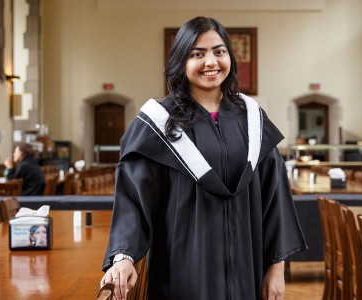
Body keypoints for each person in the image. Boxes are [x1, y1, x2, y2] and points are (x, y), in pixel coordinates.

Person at [100, 16, 307, 300]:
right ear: (181, 62)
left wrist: (276, 267)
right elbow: (133, 199)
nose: (211, 62)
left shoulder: (252, 119)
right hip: (182, 271)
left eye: (219, 51)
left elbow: (275, 198)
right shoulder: (159, 123)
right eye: (197, 54)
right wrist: (123, 255)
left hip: (247, 270)